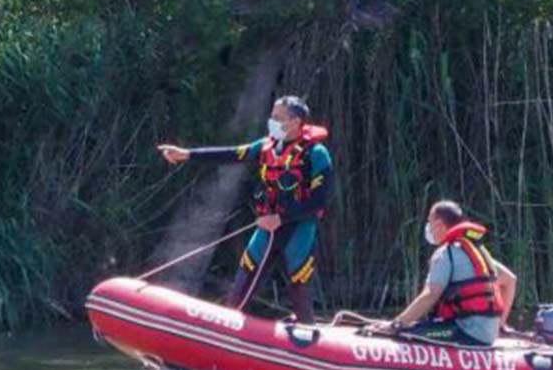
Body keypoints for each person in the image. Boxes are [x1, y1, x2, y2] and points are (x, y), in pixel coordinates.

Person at [156, 96, 334, 323]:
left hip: (297, 227)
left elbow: (320, 200)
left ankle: (308, 336)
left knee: (298, 286)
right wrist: (188, 155)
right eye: (272, 116)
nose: (271, 121)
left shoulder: (317, 154)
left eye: (277, 117)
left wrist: (280, 218)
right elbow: (231, 153)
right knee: (242, 283)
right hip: (267, 227)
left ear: (295, 121)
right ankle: (227, 334)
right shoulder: (266, 146)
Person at [372, 200, 517, 346]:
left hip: (465, 332)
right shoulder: (477, 252)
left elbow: (430, 295)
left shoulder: (446, 253)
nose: (428, 228)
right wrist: (499, 325)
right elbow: (510, 280)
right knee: (417, 326)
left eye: (429, 222)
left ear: (439, 224)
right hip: (487, 335)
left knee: (405, 334)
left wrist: (396, 325)